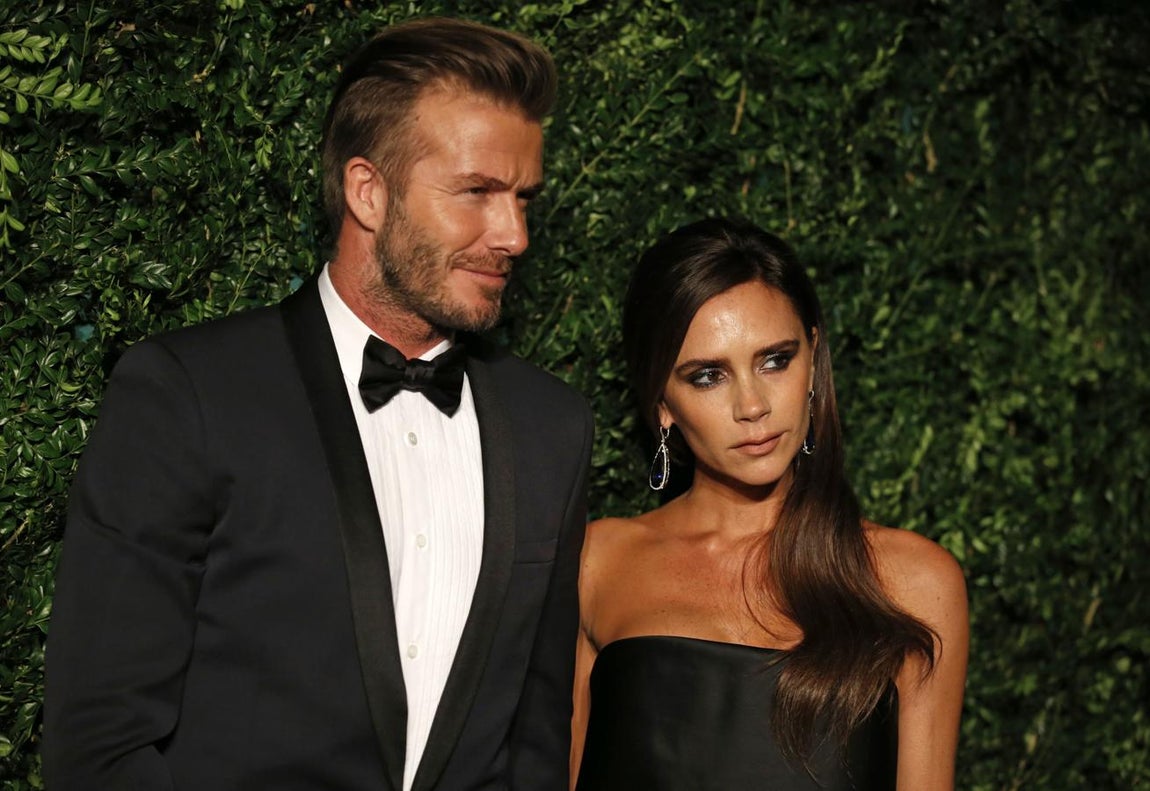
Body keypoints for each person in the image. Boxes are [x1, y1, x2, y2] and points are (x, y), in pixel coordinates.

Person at [43, 17, 592, 791]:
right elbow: (100, 744)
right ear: (369, 191)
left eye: (524, 197)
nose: (515, 234)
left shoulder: (551, 428)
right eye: (477, 191)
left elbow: (534, 745)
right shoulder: (189, 395)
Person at [571, 217, 967, 790]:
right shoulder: (597, 562)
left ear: (813, 360)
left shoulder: (915, 581)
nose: (752, 405)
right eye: (708, 376)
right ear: (662, 402)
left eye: (775, 360)